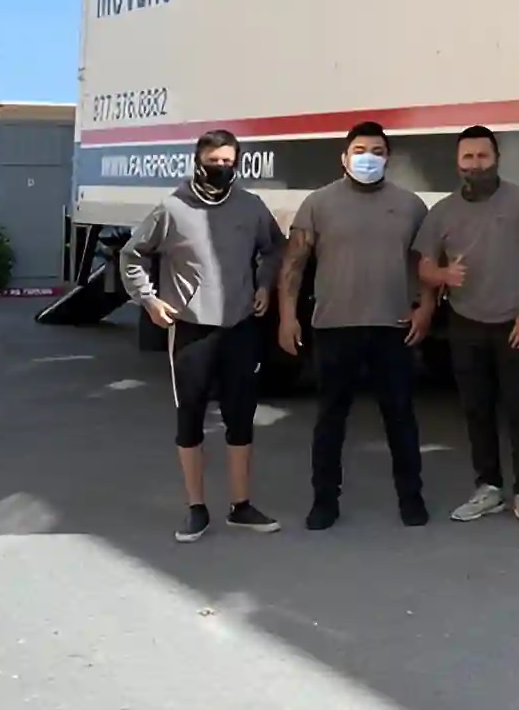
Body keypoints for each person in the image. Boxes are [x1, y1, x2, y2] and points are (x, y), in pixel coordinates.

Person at [120, 129, 285, 543]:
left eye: (229, 162)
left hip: (240, 325)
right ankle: (196, 508)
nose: (221, 169)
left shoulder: (250, 206)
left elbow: (274, 248)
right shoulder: (173, 208)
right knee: (190, 416)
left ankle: (241, 506)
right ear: (198, 161)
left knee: (240, 417)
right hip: (191, 328)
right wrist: (150, 301)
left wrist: (265, 284)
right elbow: (132, 254)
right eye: (214, 162)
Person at [279, 121, 435, 530]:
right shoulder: (318, 203)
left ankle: (411, 499)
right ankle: (324, 502)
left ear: (388, 158)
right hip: (334, 327)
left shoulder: (410, 206)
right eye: (360, 151)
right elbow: (294, 263)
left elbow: (426, 263)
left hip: (393, 327)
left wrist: (425, 307)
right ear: (344, 158)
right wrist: (287, 316)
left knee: (400, 417)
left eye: (378, 151)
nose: (369, 158)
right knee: (330, 419)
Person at [416, 125, 519, 528]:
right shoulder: (442, 212)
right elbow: (424, 265)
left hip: (515, 323)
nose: (475, 164)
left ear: (496, 159)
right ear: (457, 162)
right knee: (476, 409)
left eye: (483, 156)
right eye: (468, 157)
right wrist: (442, 275)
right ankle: (489, 488)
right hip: (465, 322)